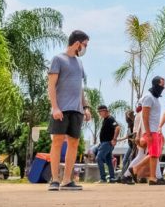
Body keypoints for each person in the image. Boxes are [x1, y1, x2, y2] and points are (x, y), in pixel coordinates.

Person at [47, 30, 91, 191]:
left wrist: (85, 107)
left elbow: (79, 88)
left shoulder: (79, 63)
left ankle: (67, 180)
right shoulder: (58, 59)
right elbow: (51, 85)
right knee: (57, 142)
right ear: (77, 43)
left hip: (77, 110)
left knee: (73, 143)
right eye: (85, 45)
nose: (85, 48)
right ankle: (55, 180)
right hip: (61, 109)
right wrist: (55, 107)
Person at [140, 76, 165, 185]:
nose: (163, 87)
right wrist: (148, 133)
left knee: (155, 155)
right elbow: (145, 116)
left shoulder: (155, 98)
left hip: (155, 130)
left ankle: (153, 177)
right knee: (153, 155)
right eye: (161, 85)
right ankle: (152, 177)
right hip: (150, 131)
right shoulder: (148, 97)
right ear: (155, 84)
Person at [96, 104, 121, 183]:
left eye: (100, 112)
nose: (99, 114)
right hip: (105, 143)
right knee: (108, 161)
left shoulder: (110, 119)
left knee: (98, 158)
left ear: (104, 111)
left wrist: (114, 139)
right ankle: (112, 178)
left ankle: (103, 178)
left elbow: (117, 127)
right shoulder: (106, 119)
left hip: (107, 143)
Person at [120, 109, 136, 179]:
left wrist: (131, 137)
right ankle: (124, 175)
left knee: (129, 160)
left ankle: (126, 175)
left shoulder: (134, 122)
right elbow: (128, 135)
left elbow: (135, 132)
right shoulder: (129, 124)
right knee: (125, 159)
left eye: (127, 115)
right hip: (130, 144)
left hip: (134, 145)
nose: (126, 118)